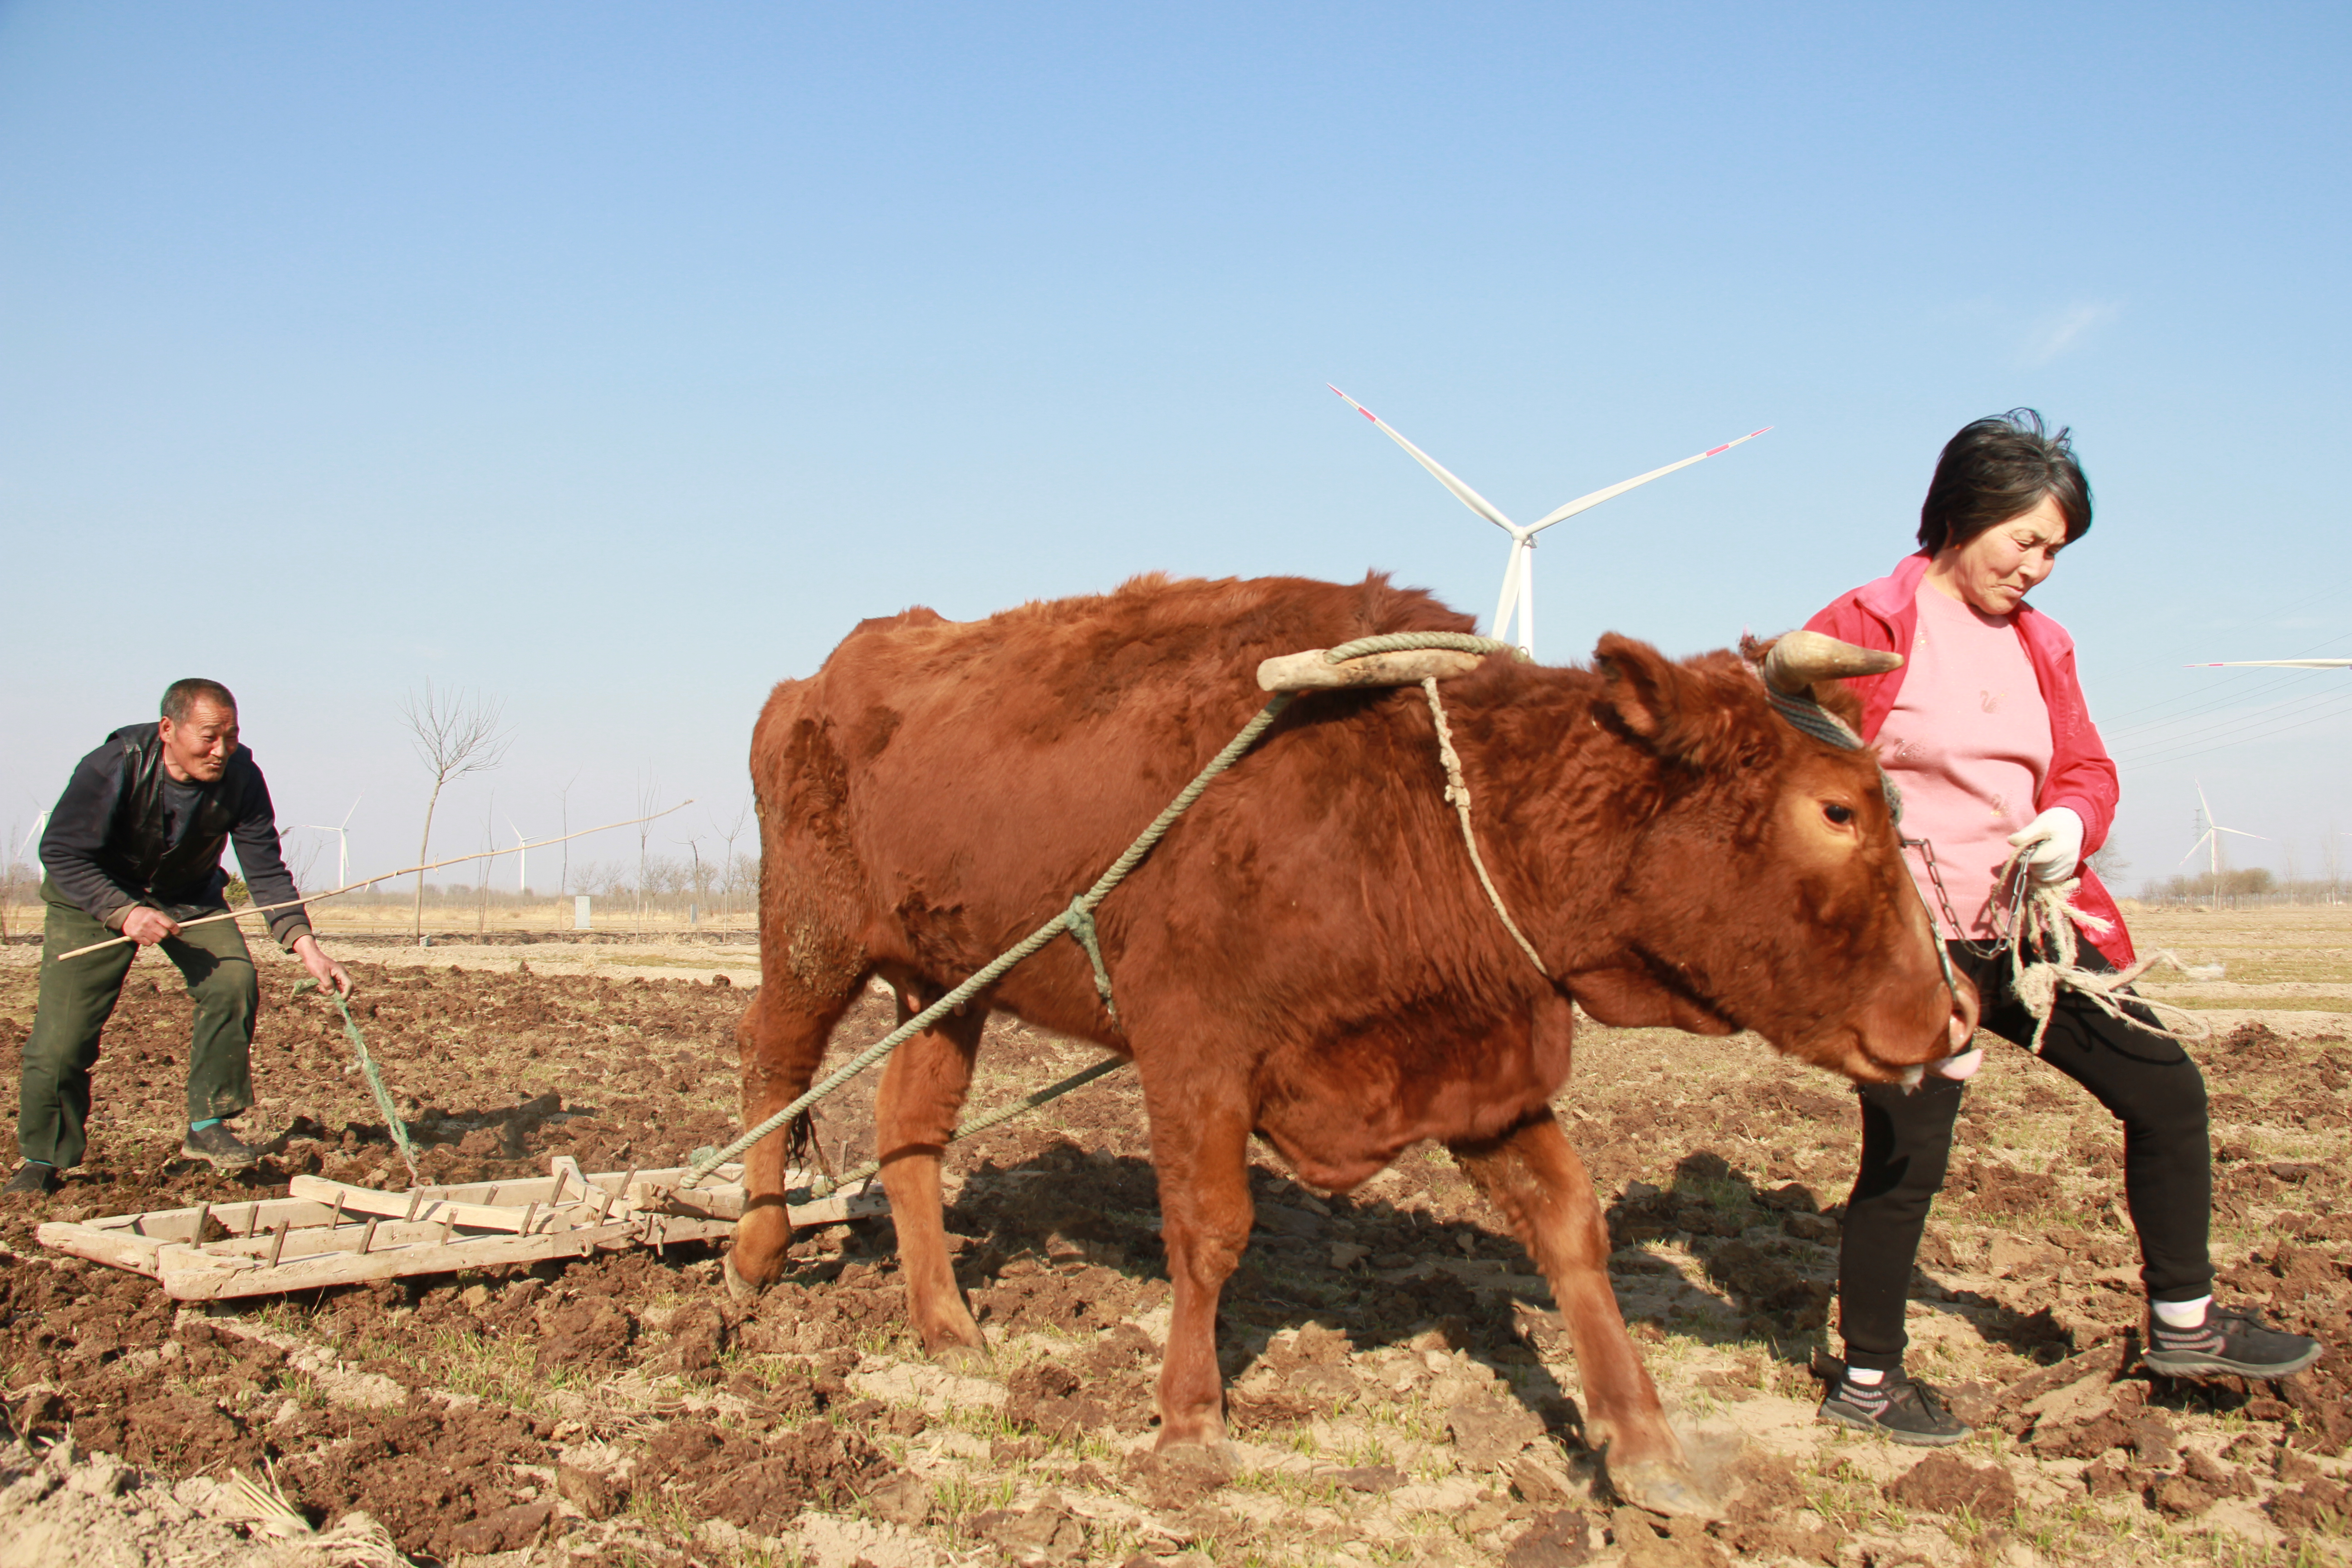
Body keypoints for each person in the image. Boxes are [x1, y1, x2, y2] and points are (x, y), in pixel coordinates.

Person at [1800, 411, 2320, 1444]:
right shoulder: (1864, 621)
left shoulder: (2044, 643)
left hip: (2030, 930)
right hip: (1909, 945)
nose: (2038, 568)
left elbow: (2086, 767)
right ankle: (1865, 1380)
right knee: (1907, 1159)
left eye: (2056, 551)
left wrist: (2068, 819)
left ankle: (2186, 1321)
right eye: (2025, 541)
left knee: (2165, 1090)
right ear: (1963, 513)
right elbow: (1793, 774)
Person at [7, 679, 352, 1196]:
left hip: (187, 895)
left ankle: (207, 1124)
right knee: (63, 1038)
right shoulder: (111, 766)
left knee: (233, 981)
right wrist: (123, 912)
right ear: (168, 729)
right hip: (93, 895)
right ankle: (42, 1156)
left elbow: (265, 870)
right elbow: (61, 852)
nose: (222, 751)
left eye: (232, 737)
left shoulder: (241, 778)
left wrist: (308, 948)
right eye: (210, 737)